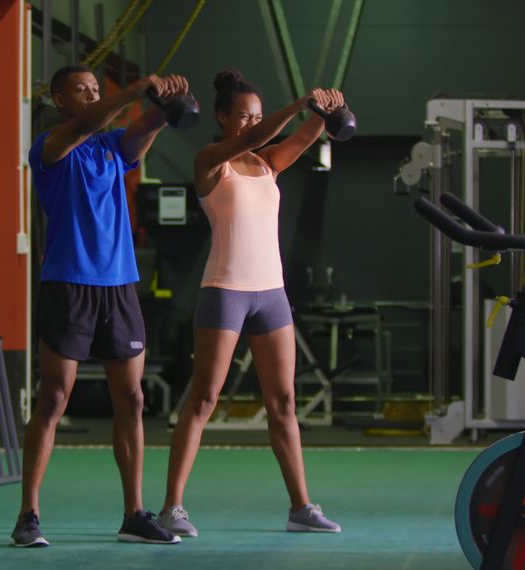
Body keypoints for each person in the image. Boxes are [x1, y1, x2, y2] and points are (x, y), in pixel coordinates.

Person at [158, 68, 345, 538]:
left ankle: (301, 506)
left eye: (256, 116)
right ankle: (172, 508)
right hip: (225, 291)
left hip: (271, 294)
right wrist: (301, 103)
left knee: (283, 400)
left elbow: (301, 138)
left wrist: (324, 109)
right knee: (203, 398)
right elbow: (263, 135)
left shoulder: (266, 165)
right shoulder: (211, 161)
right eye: (243, 116)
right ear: (222, 118)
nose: (252, 124)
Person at [10, 65, 191, 548]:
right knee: (53, 398)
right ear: (59, 99)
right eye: (81, 90)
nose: (90, 95)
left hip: (120, 286)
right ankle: (29, 513)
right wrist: (132, 92)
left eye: (96, 89)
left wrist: (163, 104)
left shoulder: (112, 146)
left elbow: (140, 133)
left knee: (131, 400)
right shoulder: (50, 146)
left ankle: (134, 512)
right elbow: (89, 124)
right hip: (69, 284)